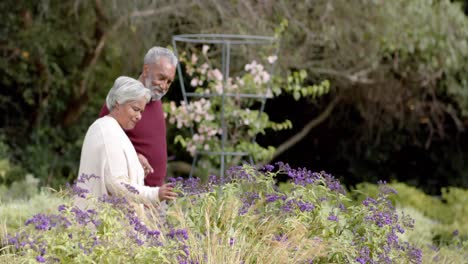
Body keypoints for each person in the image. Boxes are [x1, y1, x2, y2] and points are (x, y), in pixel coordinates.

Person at [76, 76, 177, 209]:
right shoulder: (107, 132)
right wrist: (155, 193)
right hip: (105, 225)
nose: (139, 116)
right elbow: (117, 184)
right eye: (135, 109)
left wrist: (135, 163)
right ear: (118, 104)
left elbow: (113, 169)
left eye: (141, 111)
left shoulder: (111, 128)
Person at [99, 47, 177, 191]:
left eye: (169, 81)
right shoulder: (124, 97)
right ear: (146, 69)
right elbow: (103, 138)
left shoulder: (155, 98)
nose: (164, 86)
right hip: (130, 194)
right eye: (161, 78)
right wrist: (134, 156)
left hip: (155, 193)